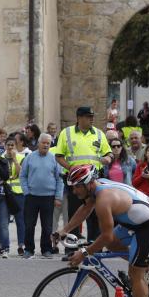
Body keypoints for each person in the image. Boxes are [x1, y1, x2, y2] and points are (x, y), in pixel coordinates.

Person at [55, 165, 149, 297]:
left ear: (88, 184)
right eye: (72, 187)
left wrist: (84, 253)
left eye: (77, 186)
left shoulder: (103, 200)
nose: (74, 191)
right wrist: (64, 230)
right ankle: (145, 264)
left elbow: (105, 234)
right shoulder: (97, 188)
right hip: (134, 223)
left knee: (135, 273)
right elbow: (85, 209)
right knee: (111, 243)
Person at [53, 106, 112, 247]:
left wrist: (108, 159)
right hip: (75, 181)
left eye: (92, 116)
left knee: (95, 215)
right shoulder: (66, 133)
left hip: (93, 180)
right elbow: (59, 156)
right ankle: (71, 249)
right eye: (88, 116)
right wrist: (71, 168)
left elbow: (108, 154)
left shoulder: (99, 134)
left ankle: (94, 248)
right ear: (79, 118)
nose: (91, 118)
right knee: (74, 214)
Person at [21, 133, 63, 258]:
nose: (45, 145)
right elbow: (23, 176)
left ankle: (46, 249)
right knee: (29, 225)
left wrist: (58, 197)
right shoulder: (29, 157)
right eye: (43, 142)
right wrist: (26, 192)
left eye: (48, 143)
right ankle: (29, 249)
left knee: (47, 226)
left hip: (49, 197)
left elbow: (59, 179)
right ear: (38, 143)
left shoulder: (54, 159)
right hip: (32, 196)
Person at [4, 138, 29, 255]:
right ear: (5, 146)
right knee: (4, 221)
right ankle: (5, 246)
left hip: (18, 192)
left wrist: (14, 159)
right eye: (8, 145)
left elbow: (21, 173)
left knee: (20, 220)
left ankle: (21, 245)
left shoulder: (20, 157)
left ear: (15, 146)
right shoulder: (1, 158)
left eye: (12, 145)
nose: (10, 147)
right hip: (5, 192)